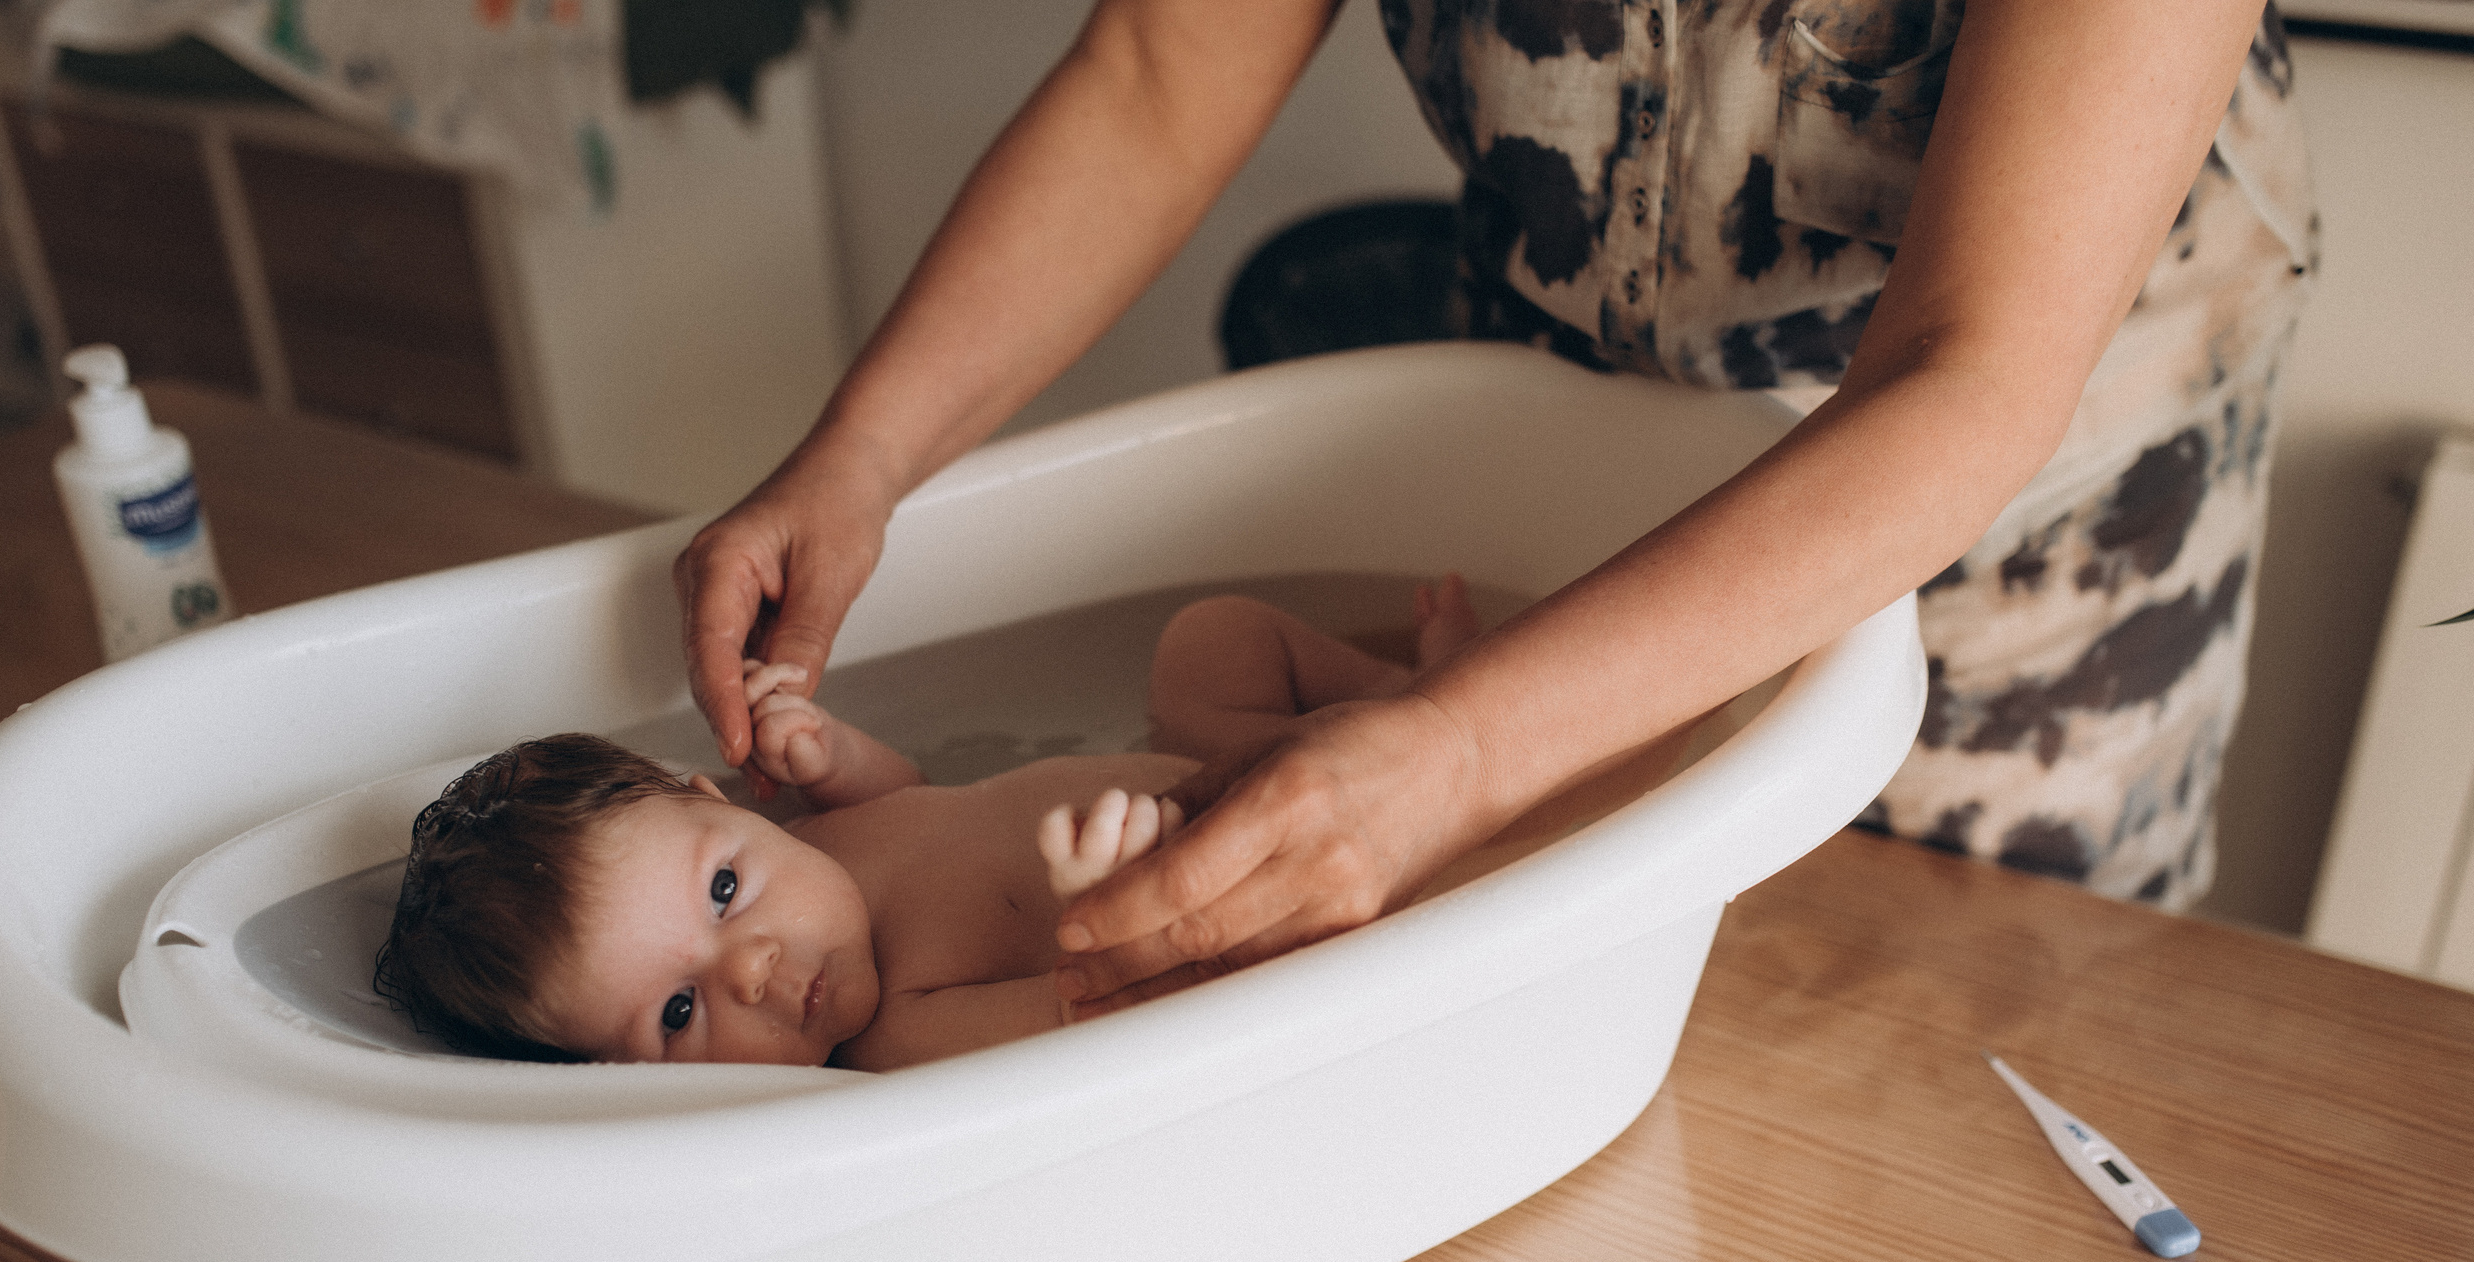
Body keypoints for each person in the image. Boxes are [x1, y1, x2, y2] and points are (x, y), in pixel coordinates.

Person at [672, 0, 2314, 1020]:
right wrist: (864, 454)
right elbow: (1167, 66)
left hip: (2037, 556)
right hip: (1567, 461)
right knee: (1550, 993)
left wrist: (1458, 750)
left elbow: (1972, 370)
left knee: (1959, 1055)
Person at [375, 578, 1487, 1069]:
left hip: (1209, 760)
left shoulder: (815, 849)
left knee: (1211, 636)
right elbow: (1093, 1014)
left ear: (714, 797)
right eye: (676, 1012)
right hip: (1238, 873)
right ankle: (1421, 747)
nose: (753, 971)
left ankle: (1407, 695)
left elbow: (916, 798)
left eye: (722, 891)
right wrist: (1121, 894)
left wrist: (836, 756)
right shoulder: (894, 1027)